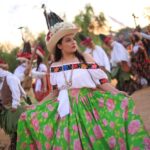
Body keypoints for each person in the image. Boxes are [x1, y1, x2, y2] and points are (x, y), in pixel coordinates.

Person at [17, 22, 150, 149]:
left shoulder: (85, 58)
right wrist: (37, 106)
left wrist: (117, 92)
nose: (73, 42)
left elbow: (102, 83)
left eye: (73, 39)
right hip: (66, 111)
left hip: (89, 106)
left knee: (96, 139)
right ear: (59, 46)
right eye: (68, 40)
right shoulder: (54, 66)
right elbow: (54, 93)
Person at [0, 59, 27, 149]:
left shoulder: (10, 78)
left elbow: (16, 92)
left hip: (15, 109)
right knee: (14, 132)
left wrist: (15, 105)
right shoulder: (3, 79)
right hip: (8, 108)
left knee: (17, 130)